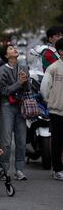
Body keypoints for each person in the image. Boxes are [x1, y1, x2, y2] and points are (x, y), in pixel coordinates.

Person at [0, 44, 30, 181]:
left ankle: (20, 170)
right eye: (10, 49)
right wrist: (18, 83)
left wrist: (25, 81)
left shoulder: (23, 67)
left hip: (21, 106)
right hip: (7, 106)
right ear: (6, 55)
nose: (14, 49)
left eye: (14, 48)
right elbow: (1, 90)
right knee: (6, 140)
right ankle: (4, 169)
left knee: (21, 139)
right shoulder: (2, 70)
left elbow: (27, 89)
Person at [40, 38, 63, 181]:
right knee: (57, 141)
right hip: (57, 111)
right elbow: (44, 89)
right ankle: (57, 169)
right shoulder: (53, 67)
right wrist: (50, 101)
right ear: (61, 51)